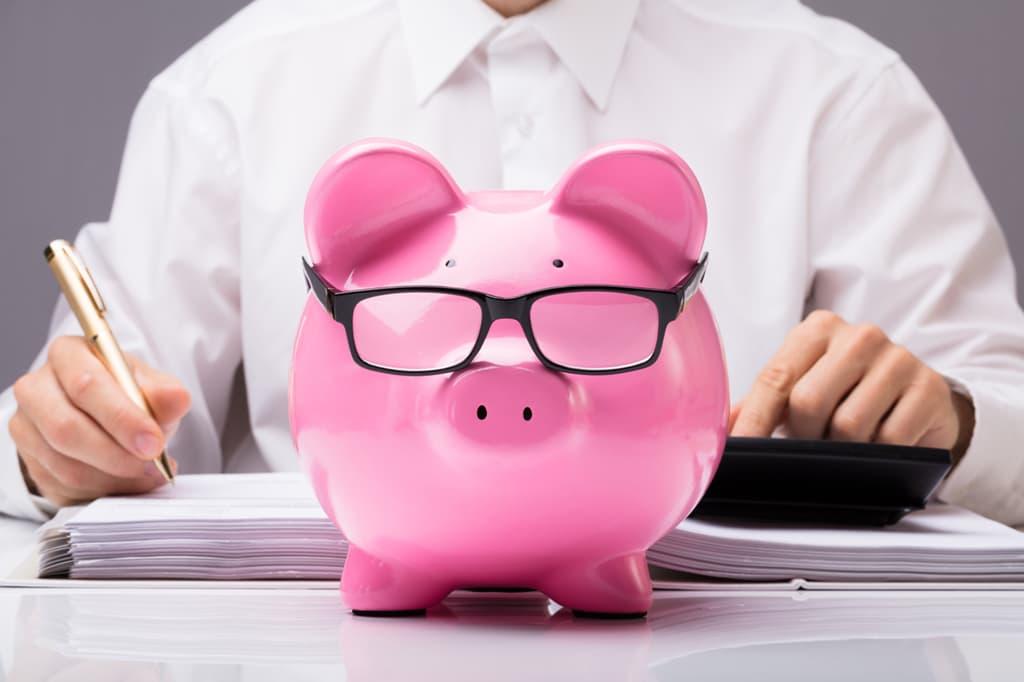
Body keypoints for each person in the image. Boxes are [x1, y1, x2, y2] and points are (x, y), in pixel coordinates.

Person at [2, 0, 1023, 526]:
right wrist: (56, 446)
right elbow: (74, 430)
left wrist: (956, 417)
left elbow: (1006, 422)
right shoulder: (228, 93)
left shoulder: (833, 91)